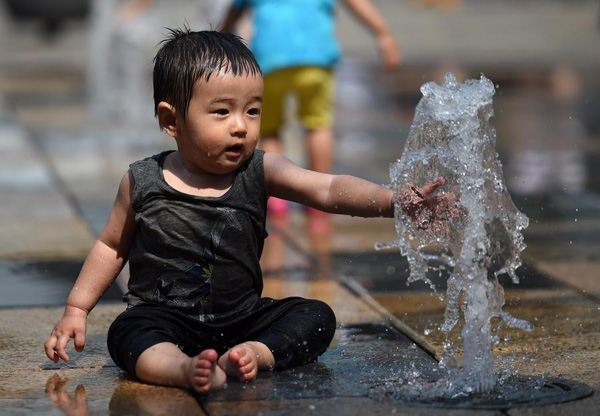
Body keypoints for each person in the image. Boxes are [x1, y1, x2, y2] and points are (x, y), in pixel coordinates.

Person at [44, 29, 444, 396]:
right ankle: (183, 369)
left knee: (316, 316)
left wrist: (393, 201)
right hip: (164, 318)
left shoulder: (259, 169)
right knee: (127, 334)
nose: (241, 127)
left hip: (242, 319)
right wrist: (77, 308)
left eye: (252, 111)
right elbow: (112, 245)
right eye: (222, 112)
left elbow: (326, 187)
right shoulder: (143, 181)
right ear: (172, 120)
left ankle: (254, 354)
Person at [223, 0, 402, 214]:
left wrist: (220, 40)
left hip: (270, 58)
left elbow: (235, 10)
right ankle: (319, 193)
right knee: (318, 126)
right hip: (315, 58)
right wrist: (383, 33)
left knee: (269, 129)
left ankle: (275, 197)